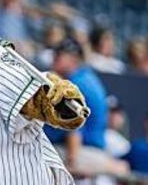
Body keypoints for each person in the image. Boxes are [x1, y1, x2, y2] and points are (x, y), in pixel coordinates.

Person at [45, 37, 127, 177]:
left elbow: (74, 127)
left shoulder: (75, 83)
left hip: (82, 151)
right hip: (93, 151)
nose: (54, 58)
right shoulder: (87, 77)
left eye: (59, 55)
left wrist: (72, 163)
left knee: (34, 154)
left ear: (73, 58)